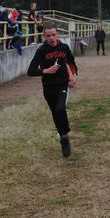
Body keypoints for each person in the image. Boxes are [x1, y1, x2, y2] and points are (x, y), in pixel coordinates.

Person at [27, 22, 78, 158]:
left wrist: (74, 75)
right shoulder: (42, 51)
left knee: (60, 108)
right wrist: (45, 71)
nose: (51, 38)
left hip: (62, 84)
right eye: (48, 36)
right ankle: (63, 137)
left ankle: (65, 136)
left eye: (53, 35)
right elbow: (30, 71)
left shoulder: (64, 47)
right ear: (44, 36)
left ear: (58, 34)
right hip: (48, 88)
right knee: (55, 113)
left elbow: (71, 62)